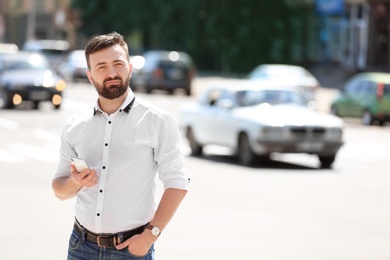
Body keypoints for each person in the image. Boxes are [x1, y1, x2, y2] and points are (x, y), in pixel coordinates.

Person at [52, 31, 189, 260]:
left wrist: (150, 236)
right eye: (102, 67)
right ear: (90, 75)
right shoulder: (74, 125)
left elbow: (177, 184)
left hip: (131, 249)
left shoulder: (158, 121)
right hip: (80, 247)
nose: (112, 73)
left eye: (118, 63)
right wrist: (75, 182)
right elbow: (59, 189)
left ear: (130, 68)